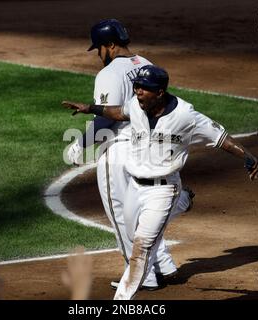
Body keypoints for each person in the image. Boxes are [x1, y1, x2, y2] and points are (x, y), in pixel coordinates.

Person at [62, 65, 258, 300]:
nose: (137, 92)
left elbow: (220, 138)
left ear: (160, 92)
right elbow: (118, 112)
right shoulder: (137, 105)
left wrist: (247, 156)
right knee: (131, 231)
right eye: (136, 87)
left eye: (143, 88)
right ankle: (182, 201)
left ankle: (122, 300)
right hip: (134, 188)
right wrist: (90, 108)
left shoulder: (186, 116)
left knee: (141, 248)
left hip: (163, 189)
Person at [66, 19, 192, 290]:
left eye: (99, 48)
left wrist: (81, 143)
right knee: (142, 214)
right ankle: (163, 264)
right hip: (144, 150)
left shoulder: (109, 73)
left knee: (121, 215)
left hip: (118, 152)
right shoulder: (146, 64)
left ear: (110, 45)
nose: (99, 55)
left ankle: (142, 277)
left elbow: (106, 118)